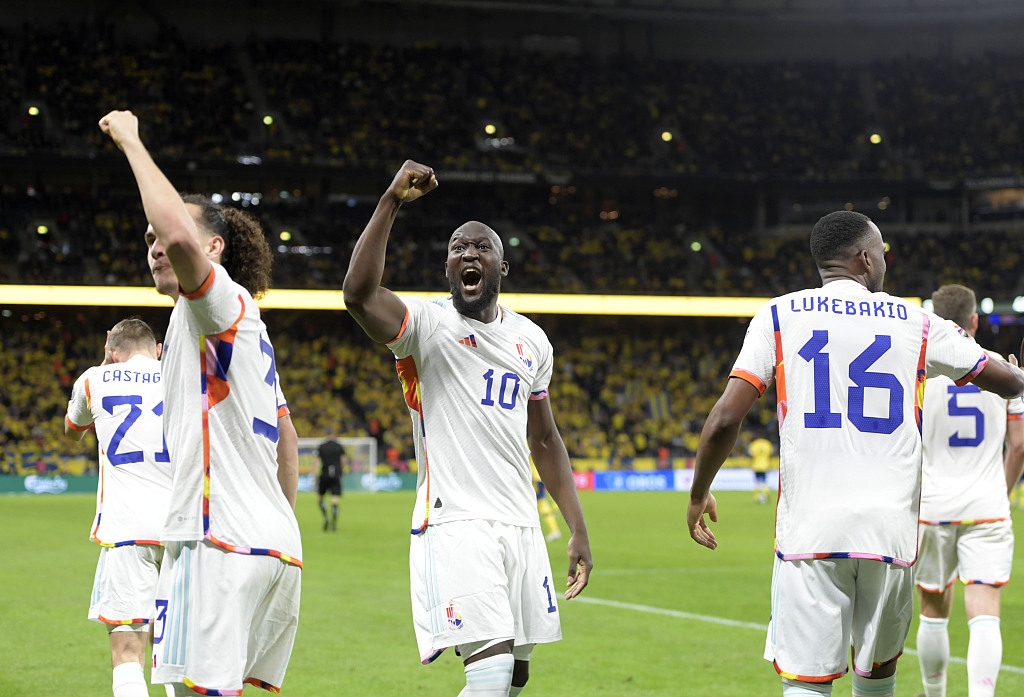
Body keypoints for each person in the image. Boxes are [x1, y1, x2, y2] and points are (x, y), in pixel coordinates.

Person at [685, 210, 1024, 697]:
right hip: (889, 533)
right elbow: (1007, 383)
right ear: (865, 258)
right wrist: (1016, 373)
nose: (886, 260)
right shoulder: (916, 321)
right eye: (882, 251)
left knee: (807, 683)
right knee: (876, 677)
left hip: (811, 531)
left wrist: (699, 492)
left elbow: (724, 419)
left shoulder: (779, 314)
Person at [343, 160, 593, 696]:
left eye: (482, 247)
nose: (469, 253)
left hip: (521, 524)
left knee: (517, 674)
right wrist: (391, 200)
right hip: (456, 521)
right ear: (448, 268)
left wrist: (576, 526)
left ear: (503, 268)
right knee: (492, 671)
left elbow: (544, 438)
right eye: (458, 248)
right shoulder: (426, 325)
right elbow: (359, 295)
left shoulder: (532, 342)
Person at [99, 110, 301, 697]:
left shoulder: (211, 303)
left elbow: (181, 238)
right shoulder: (243, 325)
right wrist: (277, 518)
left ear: (214, 246)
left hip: (218, 538)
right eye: (148, 241)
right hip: (270, 543)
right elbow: (287, 435)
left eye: (164, 234)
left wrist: (132, 142)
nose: (156, 246)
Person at [915, 284, 1024, 697]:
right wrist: (1001, 490)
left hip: (933, 508)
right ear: (974, 320)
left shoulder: (920, 371)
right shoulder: (1003, 369)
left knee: (933, 612)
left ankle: (934, 695)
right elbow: (1019, 445)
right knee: (984, 616)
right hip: (987, 507)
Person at [65, 318, 171, 697]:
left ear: (112, 352)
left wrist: (104, 365)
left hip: (126, 531)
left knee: (128, 654)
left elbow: (72, 430)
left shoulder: (94, 379)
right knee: (179, 657)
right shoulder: (183, 376)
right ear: (158, 350)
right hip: (185, 530)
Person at [317, 436, 345, 531]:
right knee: (334, 499)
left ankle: (326, 517)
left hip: (324, 475)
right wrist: (341, 473)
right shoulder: (339, 446)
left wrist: (315, 475)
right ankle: (334, 522)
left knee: (320, 497)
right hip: (336, 475)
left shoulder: (322, 446)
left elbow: (317, 461)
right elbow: (343, 460)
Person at [749, 436, 773, 503]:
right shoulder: (767, 443)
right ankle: (766, 495)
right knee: (764, 481)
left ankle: (756, 497)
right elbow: (770, 454)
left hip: (756, 465)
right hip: (765, 465)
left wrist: (751, 464)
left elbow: (752, 455)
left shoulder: (754, 444)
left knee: (756, 482)